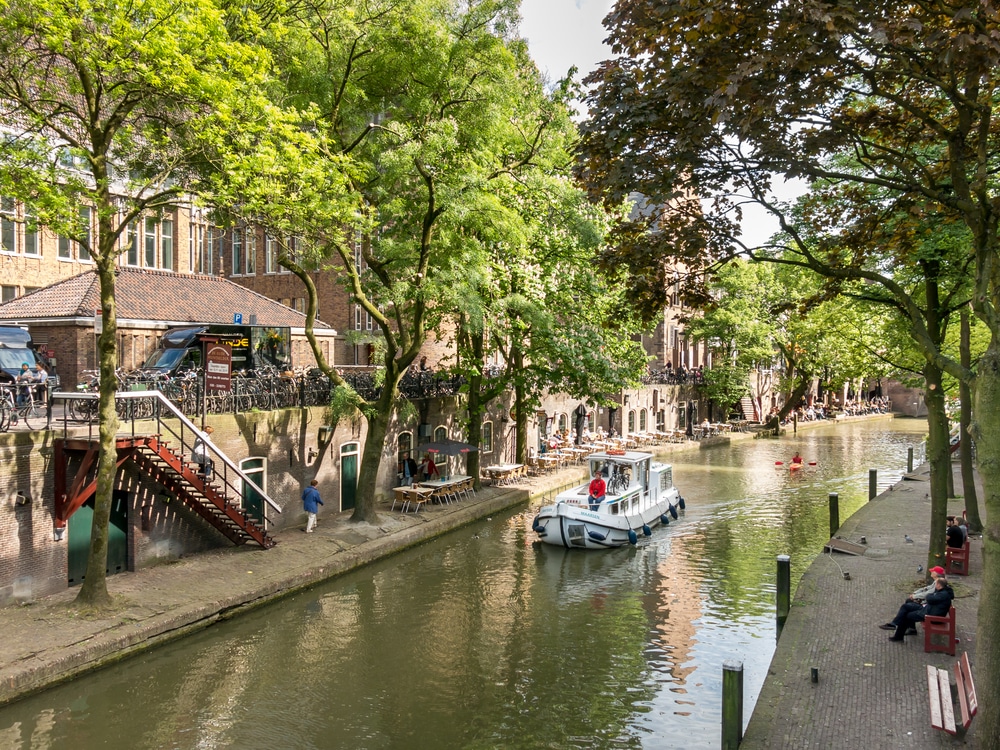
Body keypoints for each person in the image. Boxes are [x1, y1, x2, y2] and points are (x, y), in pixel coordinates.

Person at [885, 575, 954, 641]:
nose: (935, 586)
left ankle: (898, 635)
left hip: (931, 615)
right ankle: (894, 624)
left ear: (939, 585)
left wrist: (929, 596)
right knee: (906, 606)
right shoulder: (943, 591)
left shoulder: (943, 594)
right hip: (928, 609)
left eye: (936, 584)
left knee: (907, 615)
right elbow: (931, 598)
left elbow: (929, 598)